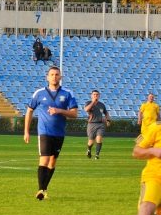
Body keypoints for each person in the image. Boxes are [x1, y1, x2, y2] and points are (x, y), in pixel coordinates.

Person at [23, 66, 79, 201]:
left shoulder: (67, 94)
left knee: (53, 161)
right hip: (44, 132)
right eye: (52, 74)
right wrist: (26, 131)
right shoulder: (39, 93)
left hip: (59, 133)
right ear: (47, 77)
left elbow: (75, 114)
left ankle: (44, 189)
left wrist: (60, 111)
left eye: (57, 74)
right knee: (45, 158)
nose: (54, 77)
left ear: (60, 77)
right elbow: (30, 110)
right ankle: (40, 190)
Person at [84, 89, 110, 159]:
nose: (96, 96)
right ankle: (89, 149)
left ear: (99, 96)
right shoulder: (88, 102)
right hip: (91, 124)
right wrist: (93, 102)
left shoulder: (101, 105)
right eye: (94, 94)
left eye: (97, 94)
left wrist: (108, 120)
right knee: (91, 142)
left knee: (99, 139)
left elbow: (106, 113)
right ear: (91, 96)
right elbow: (86, 110)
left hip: (100, 124)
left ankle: (97, 155)